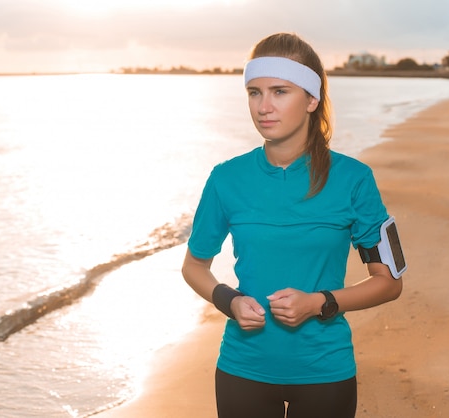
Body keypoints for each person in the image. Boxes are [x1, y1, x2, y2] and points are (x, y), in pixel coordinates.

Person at [181, 32, 404, 418]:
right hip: (242, 370)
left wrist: (320, 302)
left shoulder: (354, 179)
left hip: (325, 372)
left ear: (312, 100)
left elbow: (389, 283)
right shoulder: (225, 178)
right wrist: (229, 301)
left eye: (279, 92)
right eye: (254, 92)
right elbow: (193, 266)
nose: (263, 107)